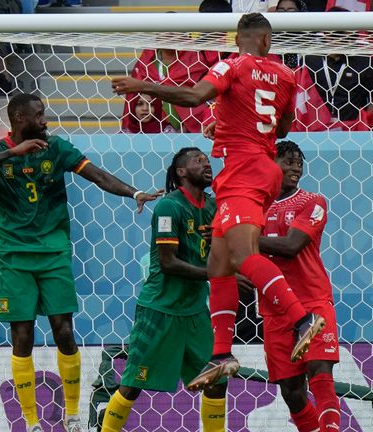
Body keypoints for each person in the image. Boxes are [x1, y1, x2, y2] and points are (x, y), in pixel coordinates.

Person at [111, 13, 325, 391]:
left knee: (244, 255)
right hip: (257, 167)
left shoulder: (230, 64)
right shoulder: (288, 76)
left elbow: (194, 97)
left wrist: (142, 85)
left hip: (245, 168)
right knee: (219, 263)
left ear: (239, 39)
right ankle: (221, 353)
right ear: (266, 42)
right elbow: (284, 127)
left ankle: (301, 318)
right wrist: (228, 123)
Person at [0, 93, 162, 432]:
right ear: (19, 118)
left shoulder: (57, 148)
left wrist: (134, 193)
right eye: (39, 115)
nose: (45, 120)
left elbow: (97, 175)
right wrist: (13, 153)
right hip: (14, 256)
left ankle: (72, 416)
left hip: (53, 253)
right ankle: (31, 422)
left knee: (64, 331)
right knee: (21, 335)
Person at [100, 148, 232, 432]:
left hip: (196, 311)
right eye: (198, 160)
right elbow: (168, 262)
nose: (206, 164)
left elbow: (220, 252)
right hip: (161, 309)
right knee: (133, 385)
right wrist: (215, 275)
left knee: (217, 380)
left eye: (208, 161)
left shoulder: (213, 207)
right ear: (181, 172)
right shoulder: (168, 207)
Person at [257, 140, 342, 432]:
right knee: (291, 392)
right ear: (271, 163)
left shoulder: (312, 201)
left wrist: (240, 237)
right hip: (274, 308)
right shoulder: (255, 205)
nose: (296, 168)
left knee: (320, 371)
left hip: (312, 300)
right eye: (288, 162)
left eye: (299, 163)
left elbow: (292, 245)